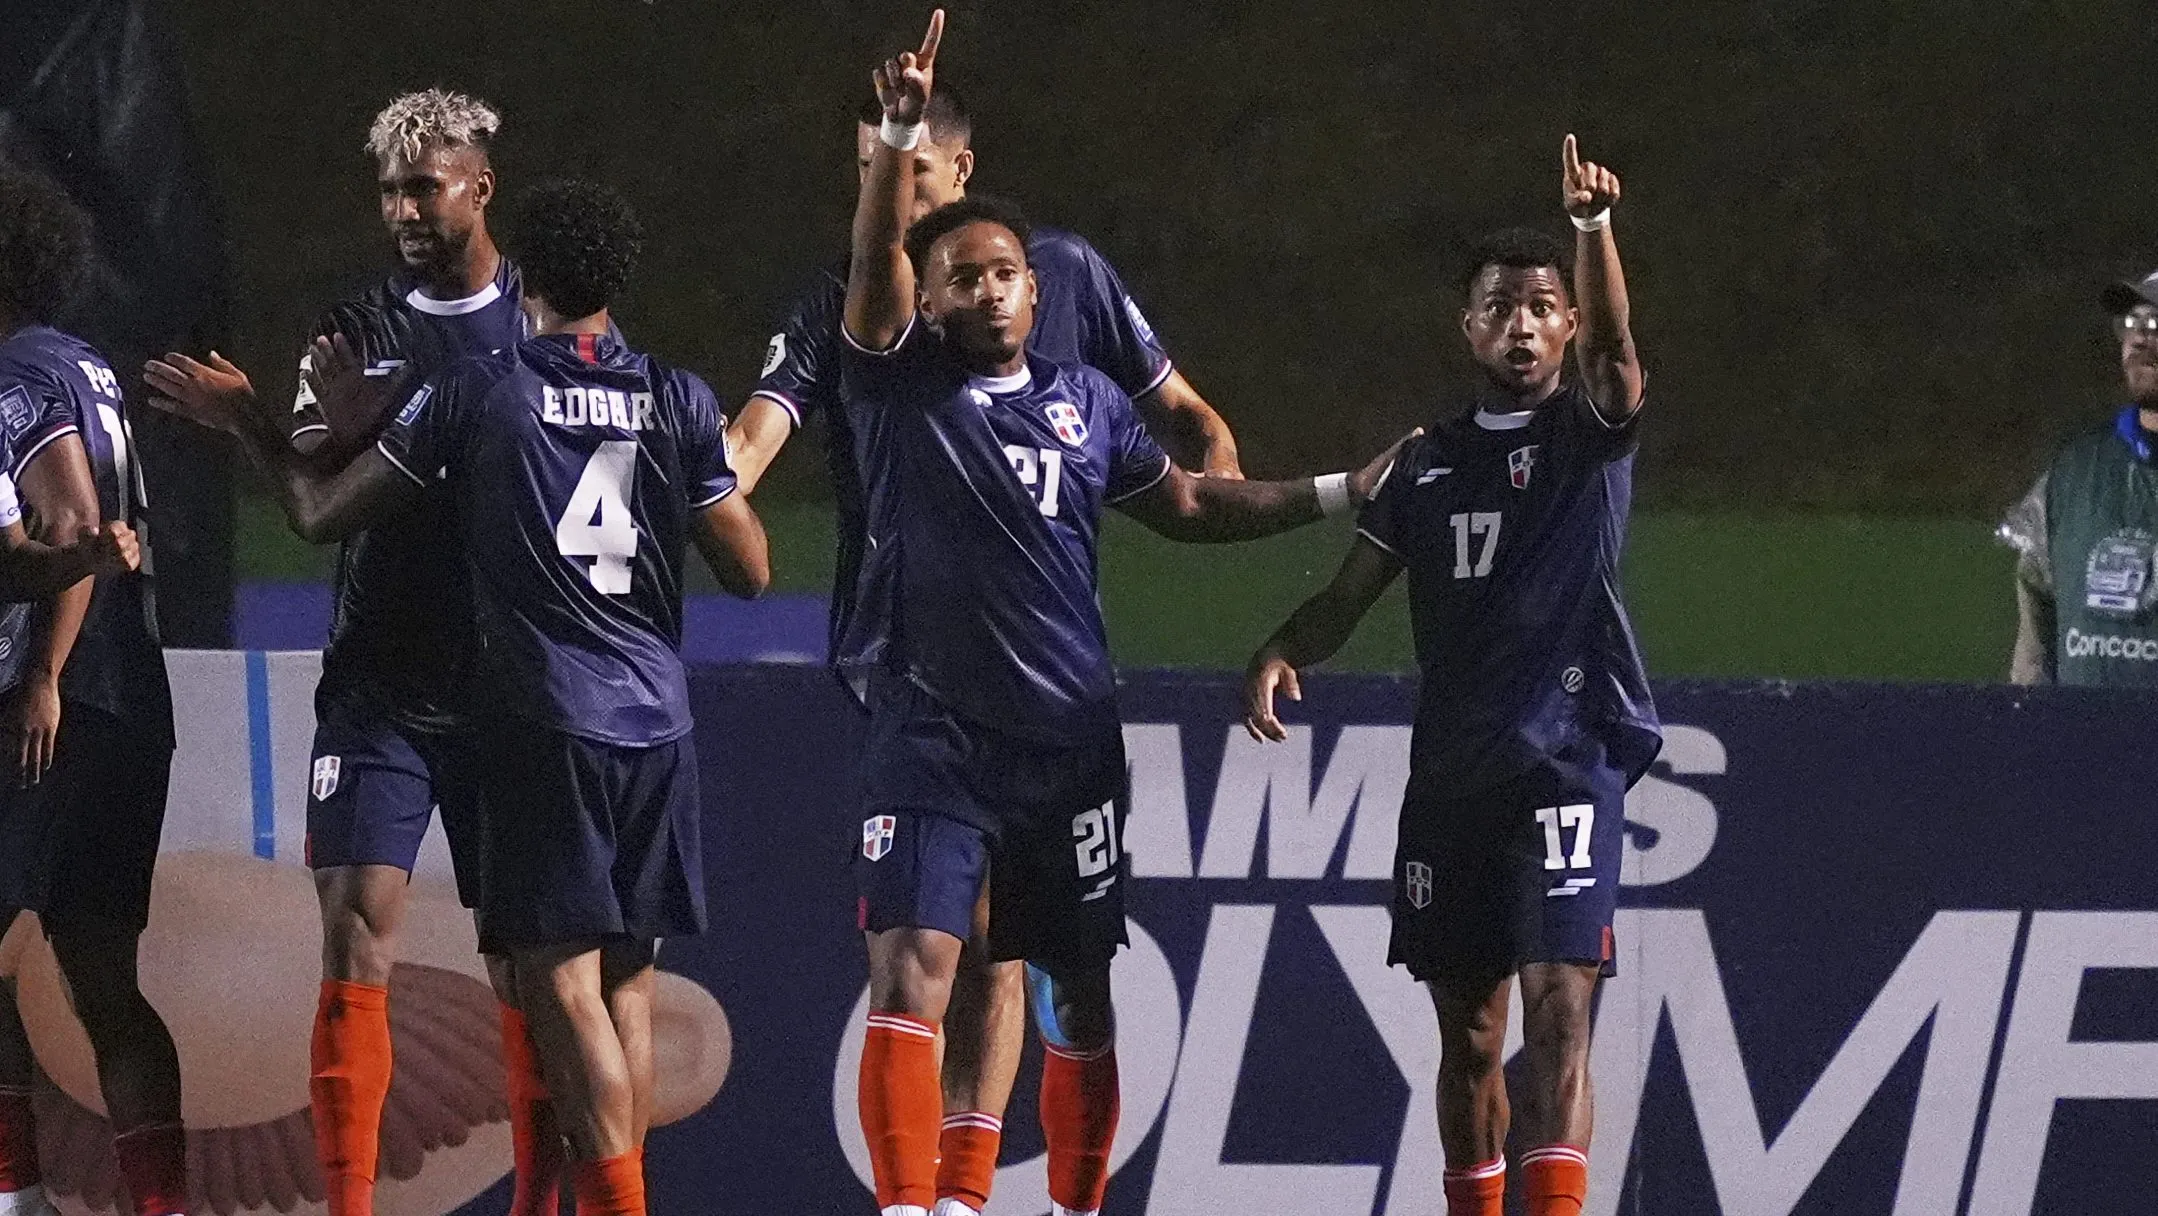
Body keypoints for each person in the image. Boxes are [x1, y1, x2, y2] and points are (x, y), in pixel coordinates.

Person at [844, 17, 1405, 1216]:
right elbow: (875, 260)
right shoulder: (899, 385)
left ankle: (1073, 1201)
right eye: (959, 277)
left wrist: (1336, 491)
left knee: (1074, 991)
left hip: (1066, 745)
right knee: (912, 969)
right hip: (930, 735)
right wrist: (895, 132)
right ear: (925, 302)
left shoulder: (1086, 401)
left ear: (1033, 288)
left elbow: (1192, 502)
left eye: (1003, 272)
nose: (985, 288)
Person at [150, 178, 767, 1216]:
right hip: (661, 725)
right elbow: (750, 570)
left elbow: (318, 513)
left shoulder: (484, 388)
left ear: (525, 271)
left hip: (547, 720)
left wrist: (251, 420)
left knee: (560, 985)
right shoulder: (678, 395)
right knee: (625, 987)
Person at [729, 44, 1248, 1216]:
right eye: (871, 167)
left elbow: (1188, 418)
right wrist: (702, 496)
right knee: (934, 940)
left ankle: (970, 1194)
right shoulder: (848, 300)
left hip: (1049, 674)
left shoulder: (1065, 277)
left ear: (962, 169)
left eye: (911, 170)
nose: (891, 188)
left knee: (1009, 952)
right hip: (906, 655)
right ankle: (934, 1199)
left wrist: (1220, 492)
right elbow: (753, 438)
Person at [151, 89, 566, 1216]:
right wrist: (298, 426)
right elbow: (314, 487)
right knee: (354, 925)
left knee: (523, 956)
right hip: (379, 680)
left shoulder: (542, 321)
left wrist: (385, 426)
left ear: (480, 186)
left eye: (423, 187)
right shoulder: (356, 327)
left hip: (511, 686)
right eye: (389, 191)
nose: (403, 211)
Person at [1241, 138, 1661, 1216]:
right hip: (1453, 780)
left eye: (1542, 307)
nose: (1522, 324)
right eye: (1499, 306)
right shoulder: (1425, 463)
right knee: (1470, 1036)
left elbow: (1620, 360)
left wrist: (1592, 228)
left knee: (1560, 1010)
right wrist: (1284, 647)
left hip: (1565, 765)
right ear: (1467, 326)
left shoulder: (1585, 434)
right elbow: (1348, 595)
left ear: (1567, 324)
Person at [0, 167, 185, 1216]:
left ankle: (17, 1196)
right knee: (103, 976)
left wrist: (42, 675)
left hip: (55, 702)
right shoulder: (82, 362)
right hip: (132, 694)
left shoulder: (15, 373)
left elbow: (73, 525)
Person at [2001, 267, 2158, 686]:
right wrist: (2028, 713)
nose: (2140, 338)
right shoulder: (2074, 472)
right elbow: (2034, 624)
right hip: (2086, 730)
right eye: (2133, 322)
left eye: (2157, 323)